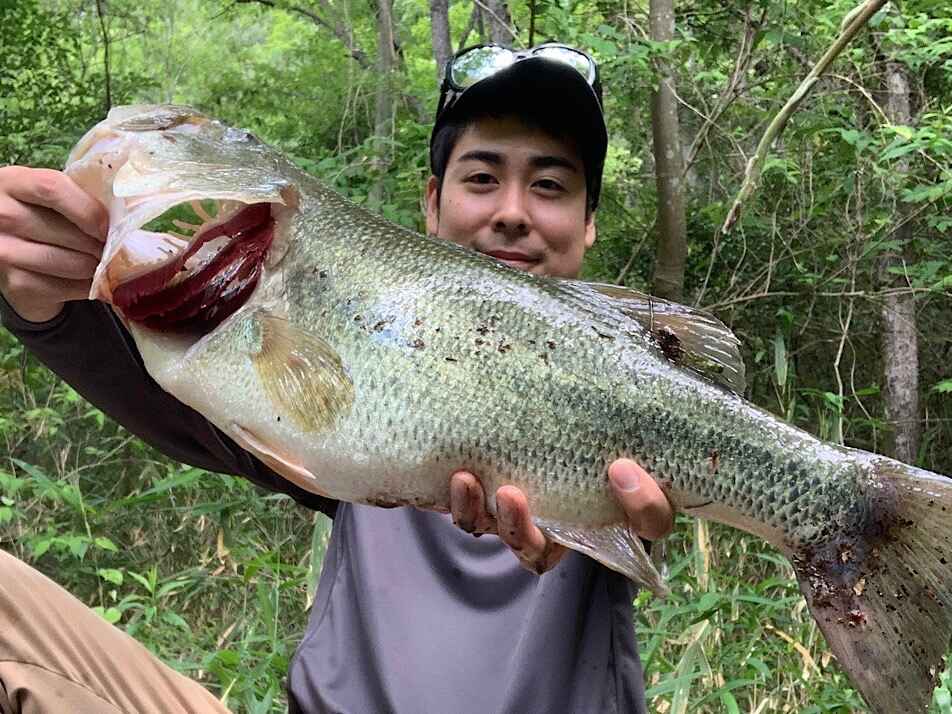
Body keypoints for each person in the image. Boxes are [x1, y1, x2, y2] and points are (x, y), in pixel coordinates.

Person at [0, 43, 673, 713]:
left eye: (550, 185)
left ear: (588, 224)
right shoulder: (353, 373)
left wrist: (594, 515)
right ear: (432, 203)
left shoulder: (636, 388)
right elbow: (174, 399)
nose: (513, 211)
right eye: (481, 178)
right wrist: (42, 298)